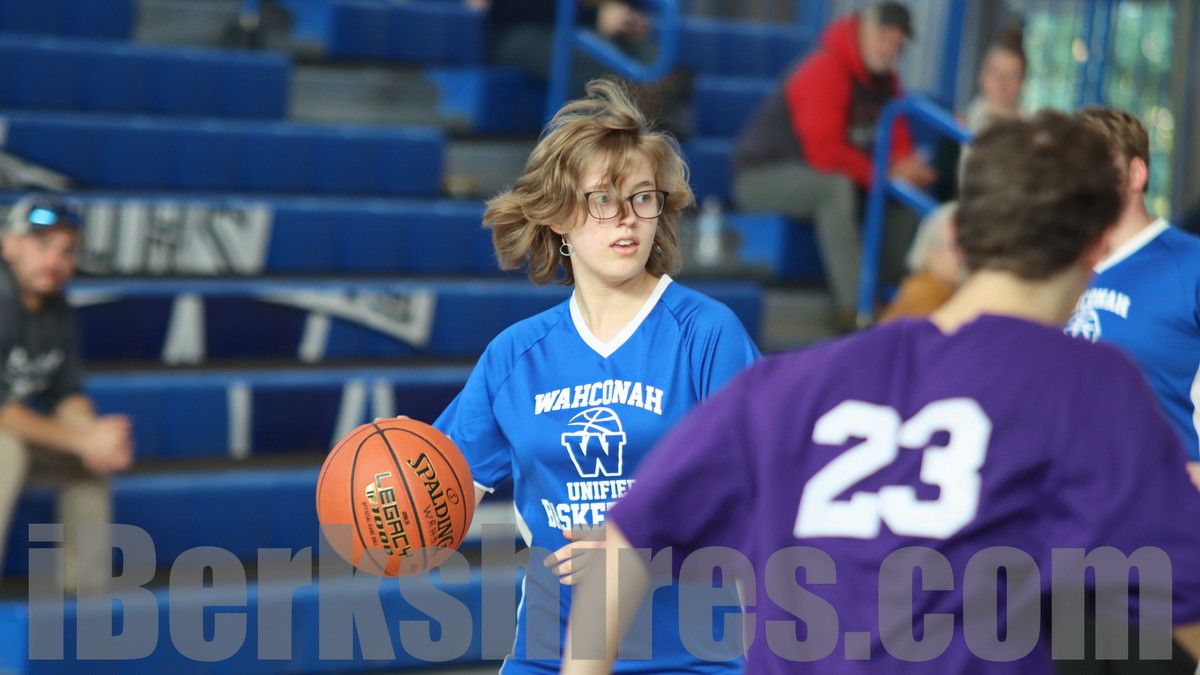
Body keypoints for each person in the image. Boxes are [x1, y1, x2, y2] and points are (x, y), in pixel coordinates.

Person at [562, 111, 1200, 673]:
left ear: (959, 236)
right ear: (1097, 246)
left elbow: (625, 539)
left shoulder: (791, 383)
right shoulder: (1086, 384)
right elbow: (1184, 597)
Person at [432, 78, 760, 673]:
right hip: (548, 656)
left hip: (689, 658)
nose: (627, 219)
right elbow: (438, 503)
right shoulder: (515, 355)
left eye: (642, 197)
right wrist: (394, 510)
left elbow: (762, 493)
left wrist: (641, 547)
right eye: (602, 201)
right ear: (559, 216)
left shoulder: (708, 335)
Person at [732, 1, 935, 330]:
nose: (889, 50)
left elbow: (900, 148)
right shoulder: (825, 68)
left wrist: (911, 171)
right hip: (761, 176)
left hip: (826, 179)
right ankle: (857, 311)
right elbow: (824, 155)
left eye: (897, 43)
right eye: (884, 37)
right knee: (835, 188)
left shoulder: (889, 83)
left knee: (906, 196)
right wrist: (886, 173)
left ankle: (890, 300)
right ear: (863, 29)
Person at [0, 195, 134, 594]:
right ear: (9, 245)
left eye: (66, 250)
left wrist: (93, 437)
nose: (54, 260)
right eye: (42, 245)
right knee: (6, 450)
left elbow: (66, 393)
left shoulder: (56, 309)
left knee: (85, 464)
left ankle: (82, 603)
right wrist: (81, 439)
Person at [1064, 109, 1200, 487]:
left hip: (1165, 508)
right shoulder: (1052, 270)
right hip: (1070, 505)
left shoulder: (1191, 265)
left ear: (1136, 174)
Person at [878, 201, 960, 322]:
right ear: (927, 250)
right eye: (952, 247)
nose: (960, 256)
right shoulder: (923, 291)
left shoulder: (956, 291)